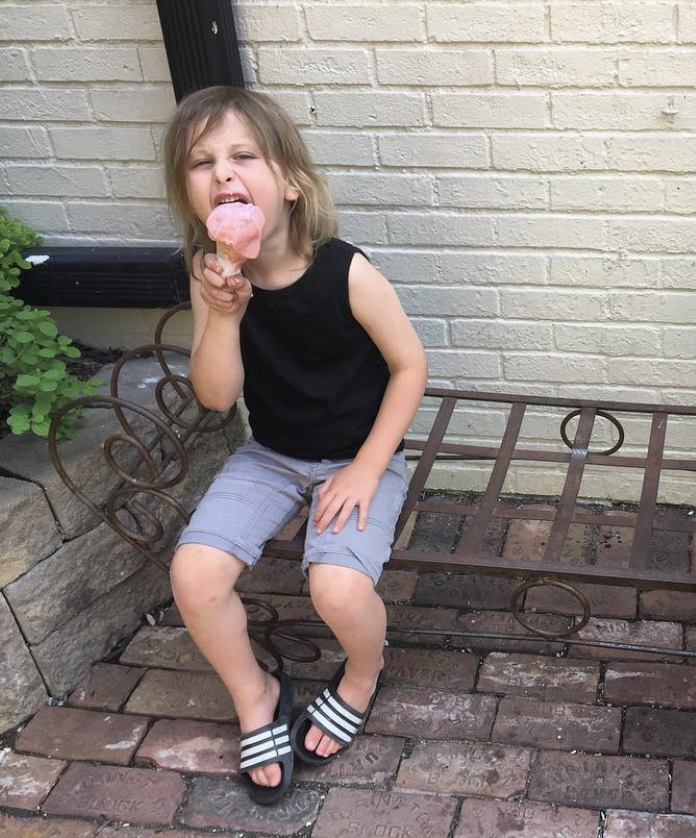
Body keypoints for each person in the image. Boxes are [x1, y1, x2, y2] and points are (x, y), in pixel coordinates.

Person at [162, 86, 427, 805]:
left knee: (337, 587)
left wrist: (369, 468)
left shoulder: (346, 271)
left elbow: (411, 367)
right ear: (189, 196)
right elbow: (218, 398)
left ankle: (363, 672)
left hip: (358, 453)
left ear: (289, 184)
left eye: (242, 155)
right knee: (194, 576)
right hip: (271, 453)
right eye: (201, 162)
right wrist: (222, 314)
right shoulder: (209, 271)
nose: (222, 173)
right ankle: (256, 694)